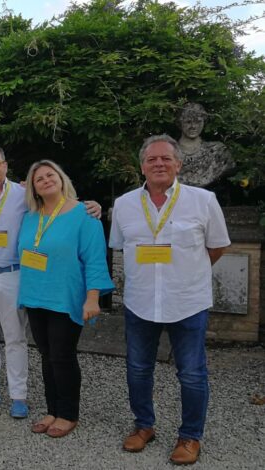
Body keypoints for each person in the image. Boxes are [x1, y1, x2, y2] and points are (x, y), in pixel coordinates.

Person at [0, 145, 102, 416]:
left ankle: (19, 396)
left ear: (6, 166)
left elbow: (60, 208)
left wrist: (92, 205)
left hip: (14, 274)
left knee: (16, 337)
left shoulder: (24, 195)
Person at [110, 135, 230, 465]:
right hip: (140, 301)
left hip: (187, 301)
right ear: (142, 166)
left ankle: (190, 436)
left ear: (178, 164)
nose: (159, 164)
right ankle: (143, 426)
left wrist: (188, 272)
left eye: (166, 159)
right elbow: (120, 246)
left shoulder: (203, 201)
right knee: (137, 369)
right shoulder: (124, 205)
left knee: (191, 373)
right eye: (152, 160)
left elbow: (217, 246)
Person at [17, 159, 114, 438]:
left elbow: (95, 260)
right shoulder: (30, 216)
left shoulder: (85, 215)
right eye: (39, 179)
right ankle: (52, 409)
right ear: (33, 188)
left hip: (65, 296)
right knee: (46, 355)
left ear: (61, 178)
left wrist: (92, 298)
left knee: (62, 356)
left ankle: (68, 413)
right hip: (36, 296)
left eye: (51, 175)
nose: (46, 180)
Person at [175, 102, 234, 187]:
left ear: (204, 122)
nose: (193, 126)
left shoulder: (217, 151)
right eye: (188, 122)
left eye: (198, 122)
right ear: (180, 123)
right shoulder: (168, 152)